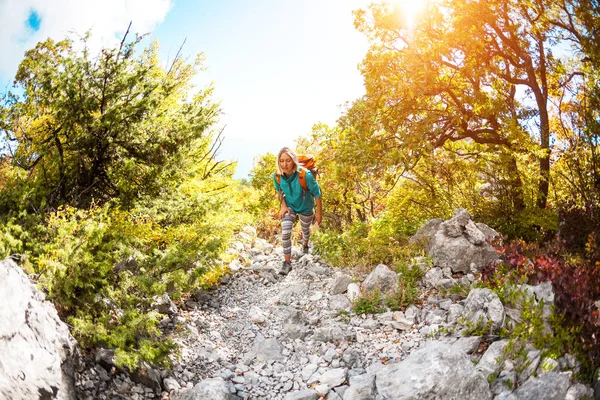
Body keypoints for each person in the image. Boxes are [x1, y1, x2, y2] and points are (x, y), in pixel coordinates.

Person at [274, 147, 322, 275]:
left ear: (293, 161)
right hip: (290, 206)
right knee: (285, 233)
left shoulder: (305, 175)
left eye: (288, 161)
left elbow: (317, 194)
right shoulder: (277, 176)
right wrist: (283, 205)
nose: (284, 164)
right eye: (282, 161)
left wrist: (319, 214)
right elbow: (279, 191)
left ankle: (305, 244)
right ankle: (287, 263)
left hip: (306, 207)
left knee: (305, 230)